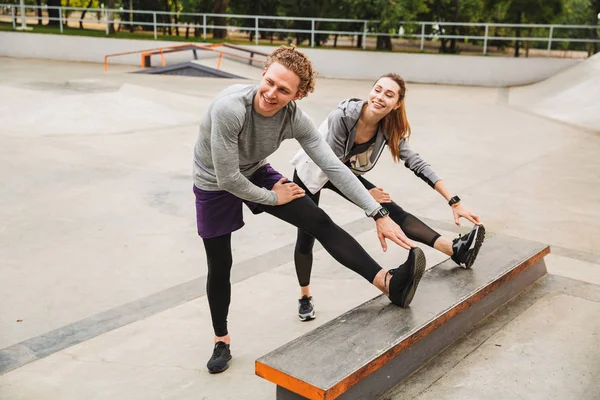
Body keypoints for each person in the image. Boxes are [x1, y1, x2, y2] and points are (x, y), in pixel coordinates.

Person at [194, 47, 427, 374]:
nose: (272, 94)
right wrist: (273, 197)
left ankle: (389, 283)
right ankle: (222, 340)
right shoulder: (230, 109)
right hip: (214, 183)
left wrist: (377, 213)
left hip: (254, 171)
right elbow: (227, 178)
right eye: (270, 82)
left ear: (298, 95)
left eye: (284, 90)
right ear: (263, 74)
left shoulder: (292, 118)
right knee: (220, 264)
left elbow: (333, 166)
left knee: (318, 220)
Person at [290, 73, 485, 321]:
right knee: (308, 236)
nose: (380, 97)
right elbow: (330, 167)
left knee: (391, 209)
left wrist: (454, 201)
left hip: (342, 171)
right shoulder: (344, 116)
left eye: (389, 94)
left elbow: (416, 162)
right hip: (312, 171)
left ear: (397, 104)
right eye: (378, 90)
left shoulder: (388, 127)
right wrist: (367, 195)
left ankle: (456, 250)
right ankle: (305, 296)